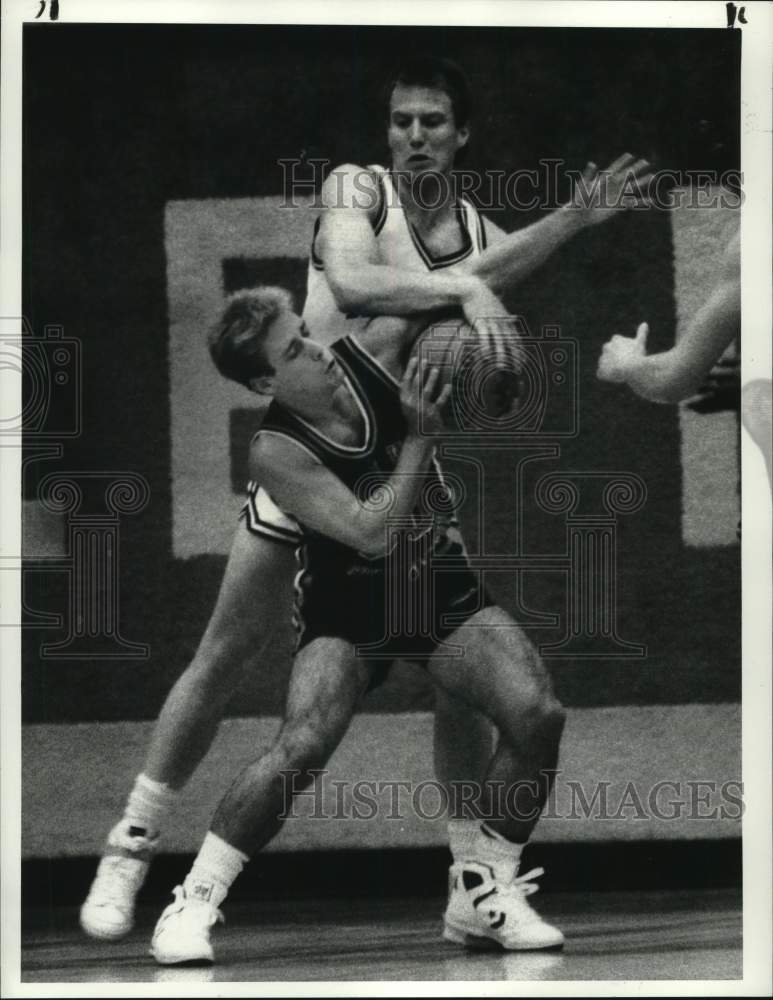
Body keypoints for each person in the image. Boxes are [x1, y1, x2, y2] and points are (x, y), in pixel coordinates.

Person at [81, 54, 653, 943]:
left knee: (458, 683)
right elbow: (352, 284)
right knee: (227, 653)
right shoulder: (358, 190)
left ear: (461, 134)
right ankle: (133, 843)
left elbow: (495, 303)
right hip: (315, 462)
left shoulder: (469, 231)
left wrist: (569, 225)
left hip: (397, 470)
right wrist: (464, 293)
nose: (414, 136)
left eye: (432, 122)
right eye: (401, 122)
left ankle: (472, 884)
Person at [150, 286, 567, 965]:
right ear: (264, 380)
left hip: (434, 582)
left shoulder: (369, 350)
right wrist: (422, 438)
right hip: (346, 602)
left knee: (537, 713)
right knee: (302, 745)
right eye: (293, 351)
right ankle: (193, 900)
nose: (315, 349)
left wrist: (474, 299)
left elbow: (455, 276)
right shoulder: (274, 452)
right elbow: (371, 534)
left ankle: (482, 890)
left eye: (305, 335)